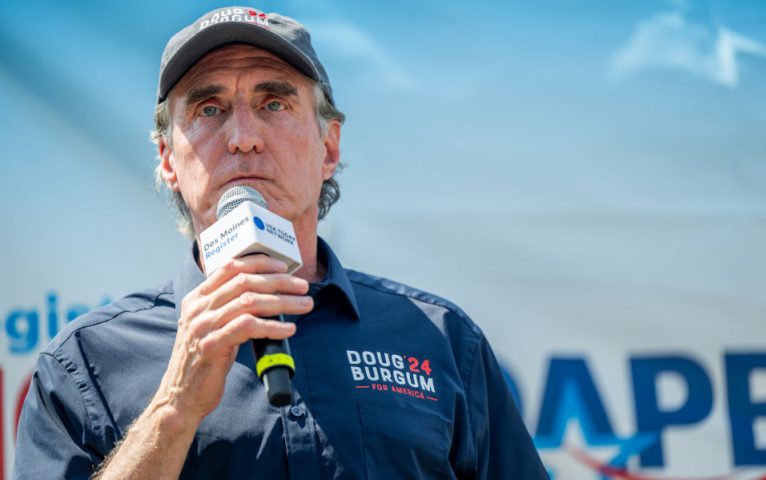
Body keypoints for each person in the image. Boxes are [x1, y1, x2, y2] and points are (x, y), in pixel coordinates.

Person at [13, 6, 549, 480]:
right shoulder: (82, 364)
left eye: (274, 104)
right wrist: (173, 409)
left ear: (329, 148)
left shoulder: (444, 341)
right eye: (208, 109)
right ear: (168, 160)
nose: (242, 136)